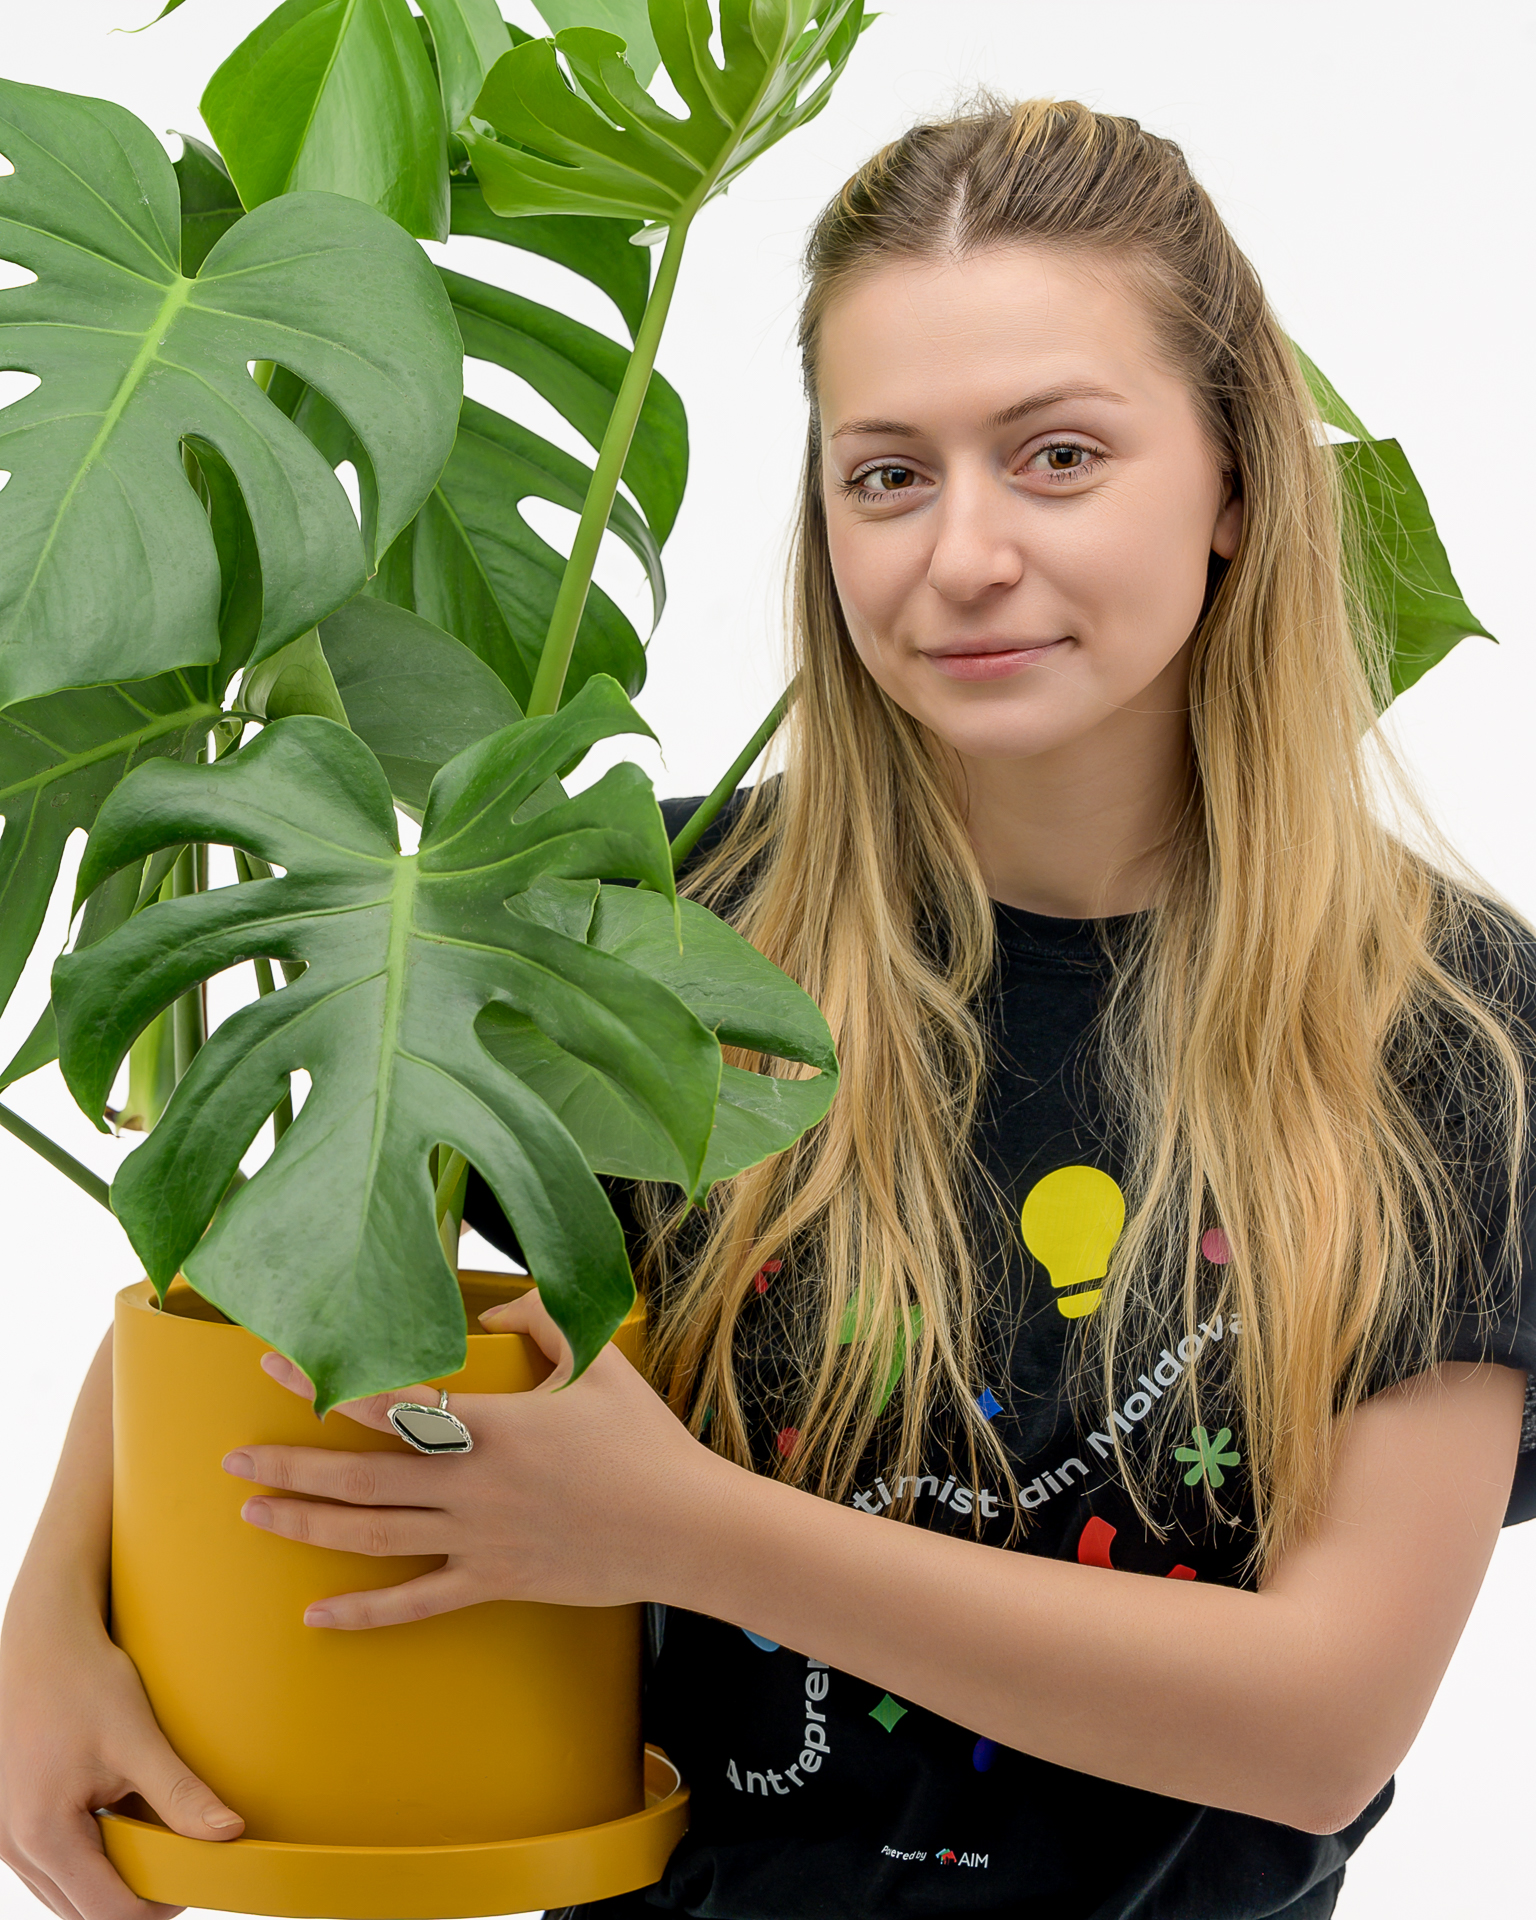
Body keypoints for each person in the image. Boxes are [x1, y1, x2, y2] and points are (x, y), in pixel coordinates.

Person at [3, 96, 1533, 1920]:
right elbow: (271, 1271)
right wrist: (46, 1623)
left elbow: (1321, 1723)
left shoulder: (1444, 1027)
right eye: (888, 475)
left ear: (1234, 486)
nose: (963, 554)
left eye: (1057, 456)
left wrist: (683, 1532)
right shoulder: (655, 922)